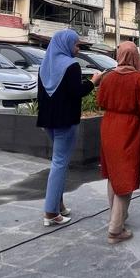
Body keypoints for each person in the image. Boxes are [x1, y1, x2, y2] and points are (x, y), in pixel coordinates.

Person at [97, 41, 140, 245]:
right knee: (127, 175)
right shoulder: (139, 80)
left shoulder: (108, 77)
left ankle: (116, 217)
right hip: (129, 128)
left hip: (109, 126)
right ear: (135, 56)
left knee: (113, 174)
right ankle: (115, 228)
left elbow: (101, 102)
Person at [36, 28, 95, 226]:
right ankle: (51, 213)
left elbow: (42, 96)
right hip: (66, 121)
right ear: (66, 44)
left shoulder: (44, 66)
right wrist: (94, 82)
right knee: (60, 163)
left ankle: (58, 204)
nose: (78, 49)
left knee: (59, 162)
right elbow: (77, 92)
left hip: (48, 121)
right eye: (76, 45)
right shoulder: (71, 66)